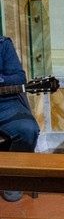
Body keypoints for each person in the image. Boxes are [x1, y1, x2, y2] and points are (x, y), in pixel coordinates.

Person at [0, 36, 40, 202]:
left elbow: (19, 78)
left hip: (4, 104)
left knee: (27, 129)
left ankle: (13, 179)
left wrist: (1, 79)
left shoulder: (3, 44)